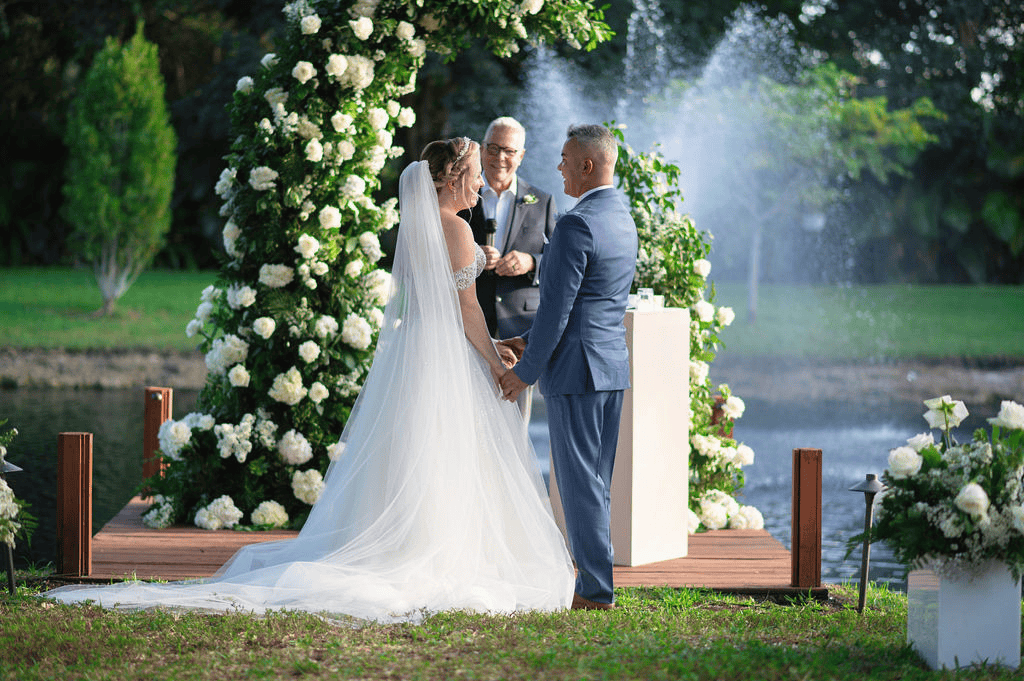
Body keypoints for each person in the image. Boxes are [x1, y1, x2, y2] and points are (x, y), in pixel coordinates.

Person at [43, 138, 575, 622]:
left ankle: (402, 539)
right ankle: (435, 547)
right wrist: (495, 363)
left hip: (417, 349)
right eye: (474, 173)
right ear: (450, 178)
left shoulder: (420, 224)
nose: (482, 182)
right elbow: (466, 313)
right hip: (447, 353)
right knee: (447, 451)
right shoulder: (455, 227)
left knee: (413, 448)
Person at [498, 124, 638, 611]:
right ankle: (597, 582)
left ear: (587, 165)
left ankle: (596, 591)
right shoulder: (622, 215)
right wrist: (523, 339)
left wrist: (525, 371)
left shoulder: (577, 224)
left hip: (575, 371)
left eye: (563, 159)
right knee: (594, 482)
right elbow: (585, 304)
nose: (557, 168)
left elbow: (556, 309)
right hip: (610, 367)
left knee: (579, 486)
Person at [460, 117, 557, 424]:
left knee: (514, 424)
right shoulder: (460, 196)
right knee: (467, 416)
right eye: (493, 148)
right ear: (483, 148)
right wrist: (473, 256)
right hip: (471, 322)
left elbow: (560, 261)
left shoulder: (543, 201)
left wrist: (531, 264)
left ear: (522, 156)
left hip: (520, 327)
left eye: (509, 150)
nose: (500, 157)